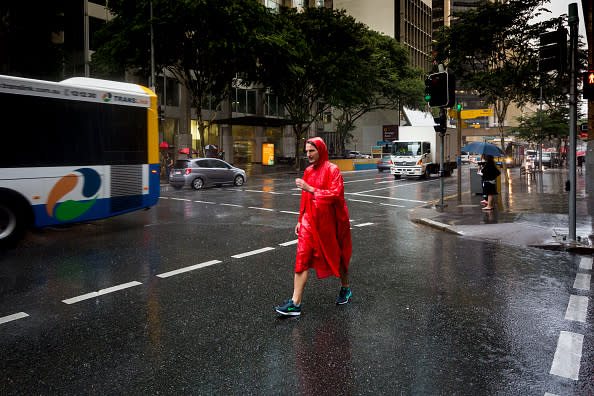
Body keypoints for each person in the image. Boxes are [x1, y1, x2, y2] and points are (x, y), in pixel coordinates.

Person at [275, 137, 352, 316]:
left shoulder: (333, 170)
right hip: (310, 222)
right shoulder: (308, 171)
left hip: (330, 224)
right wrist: (300, 219)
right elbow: (305, 198)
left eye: (312, 151)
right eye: (307, 151)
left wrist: (310, 188)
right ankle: (295, 303)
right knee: (301, 257)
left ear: (321, 151)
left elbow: (335, 194)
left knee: (337, 256)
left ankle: (345, 287)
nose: (308, 154)